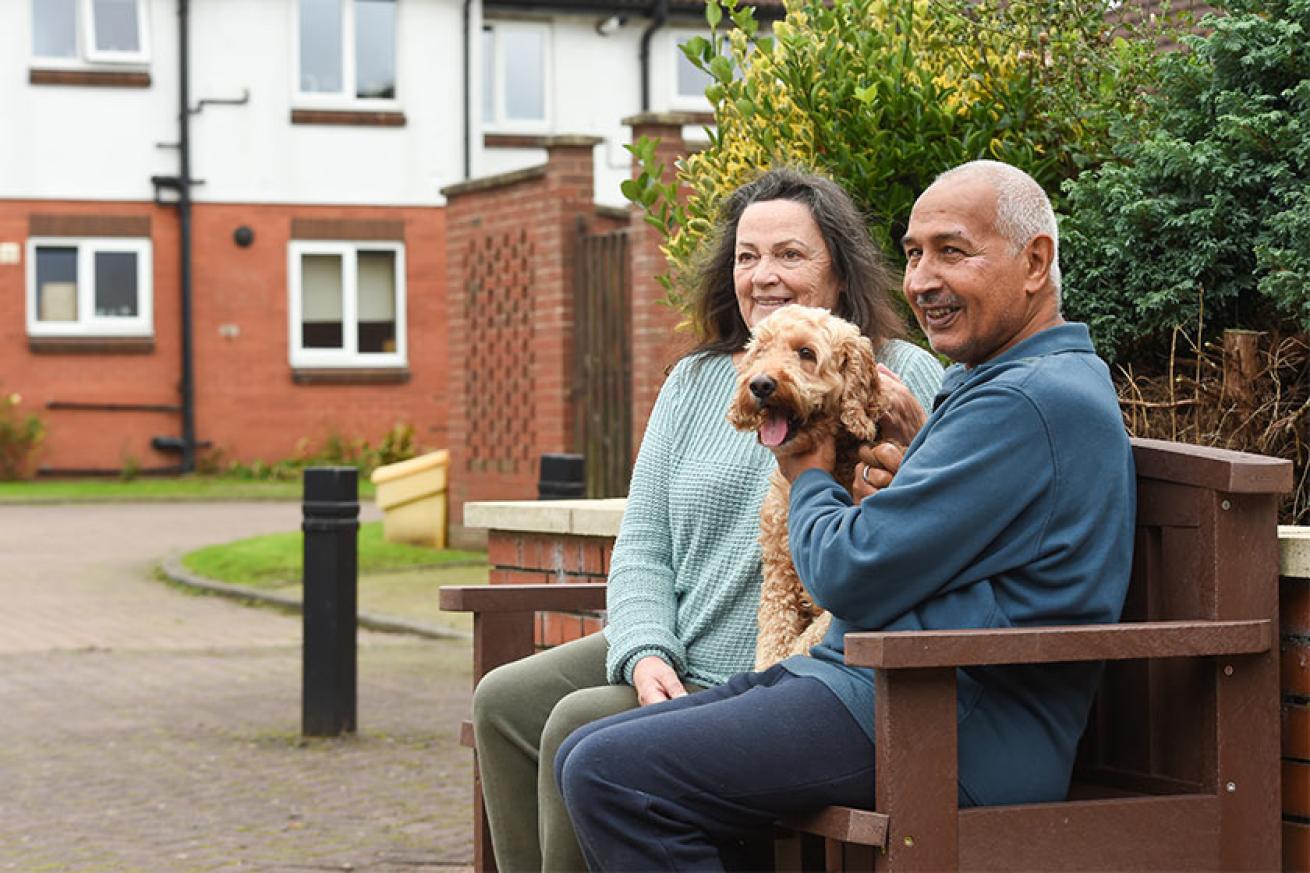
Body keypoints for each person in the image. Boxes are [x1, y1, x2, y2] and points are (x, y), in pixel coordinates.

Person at [555, 160, 1137, 870]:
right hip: (877, 684)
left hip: (944, 716)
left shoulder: (1022, 400)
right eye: (914, 252)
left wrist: (805, 473)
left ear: (1034, 261)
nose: (922, 278)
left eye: (951, 251)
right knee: (585, 750)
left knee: (612, 774)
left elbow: (846, 573)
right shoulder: (1007, 385)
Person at [470, 167, 944, 872]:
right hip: (679, 647)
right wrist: (645, 649)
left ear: (839, 272)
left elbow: (931, 509)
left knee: (574, 723)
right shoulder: (695, 381)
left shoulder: (890, 373)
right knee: (503, 701)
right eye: (747, 256)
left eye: (789, 254)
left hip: (768, 676)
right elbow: (644, 543)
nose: (763, 275)